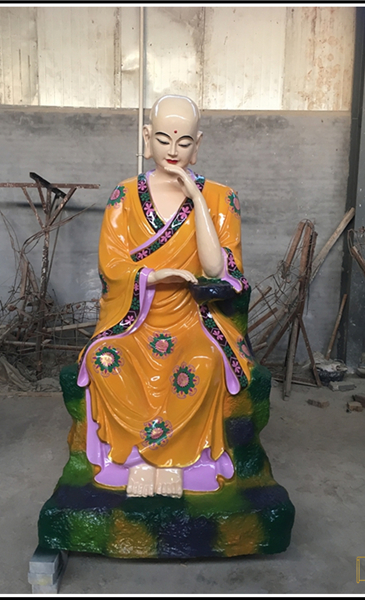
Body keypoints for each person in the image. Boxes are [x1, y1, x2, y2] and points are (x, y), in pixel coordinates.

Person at [76, 94, 254, 498]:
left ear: (198, 144)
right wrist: (152, 276)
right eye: (163, 138)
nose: (173, 150)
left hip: (192, 321)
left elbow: (217, 270)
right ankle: (134, 460)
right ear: (146, 137)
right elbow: (112, 264)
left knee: (205, 363)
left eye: (184, 141)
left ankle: (182, 462)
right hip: (135, 321)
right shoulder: (124, 195)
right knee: (104, 359)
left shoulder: (220, 197)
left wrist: (197, 199)